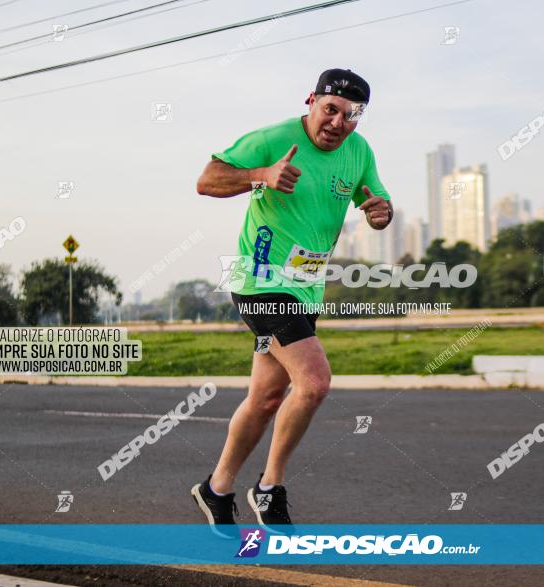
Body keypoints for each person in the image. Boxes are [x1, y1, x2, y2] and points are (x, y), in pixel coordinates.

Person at [191, 68, 392, 536]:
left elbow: (376, 204)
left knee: (265, 399)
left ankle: (216, 488)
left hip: (306, 288)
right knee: (315, 382)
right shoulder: (272, 138)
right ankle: (269, 487)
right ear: (312, 101)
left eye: (351, 116)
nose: (338, 123)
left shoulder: (359, 152)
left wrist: (382, 213)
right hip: (259, 280)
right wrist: (261, 174)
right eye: (331, 110)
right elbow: (207, 180)